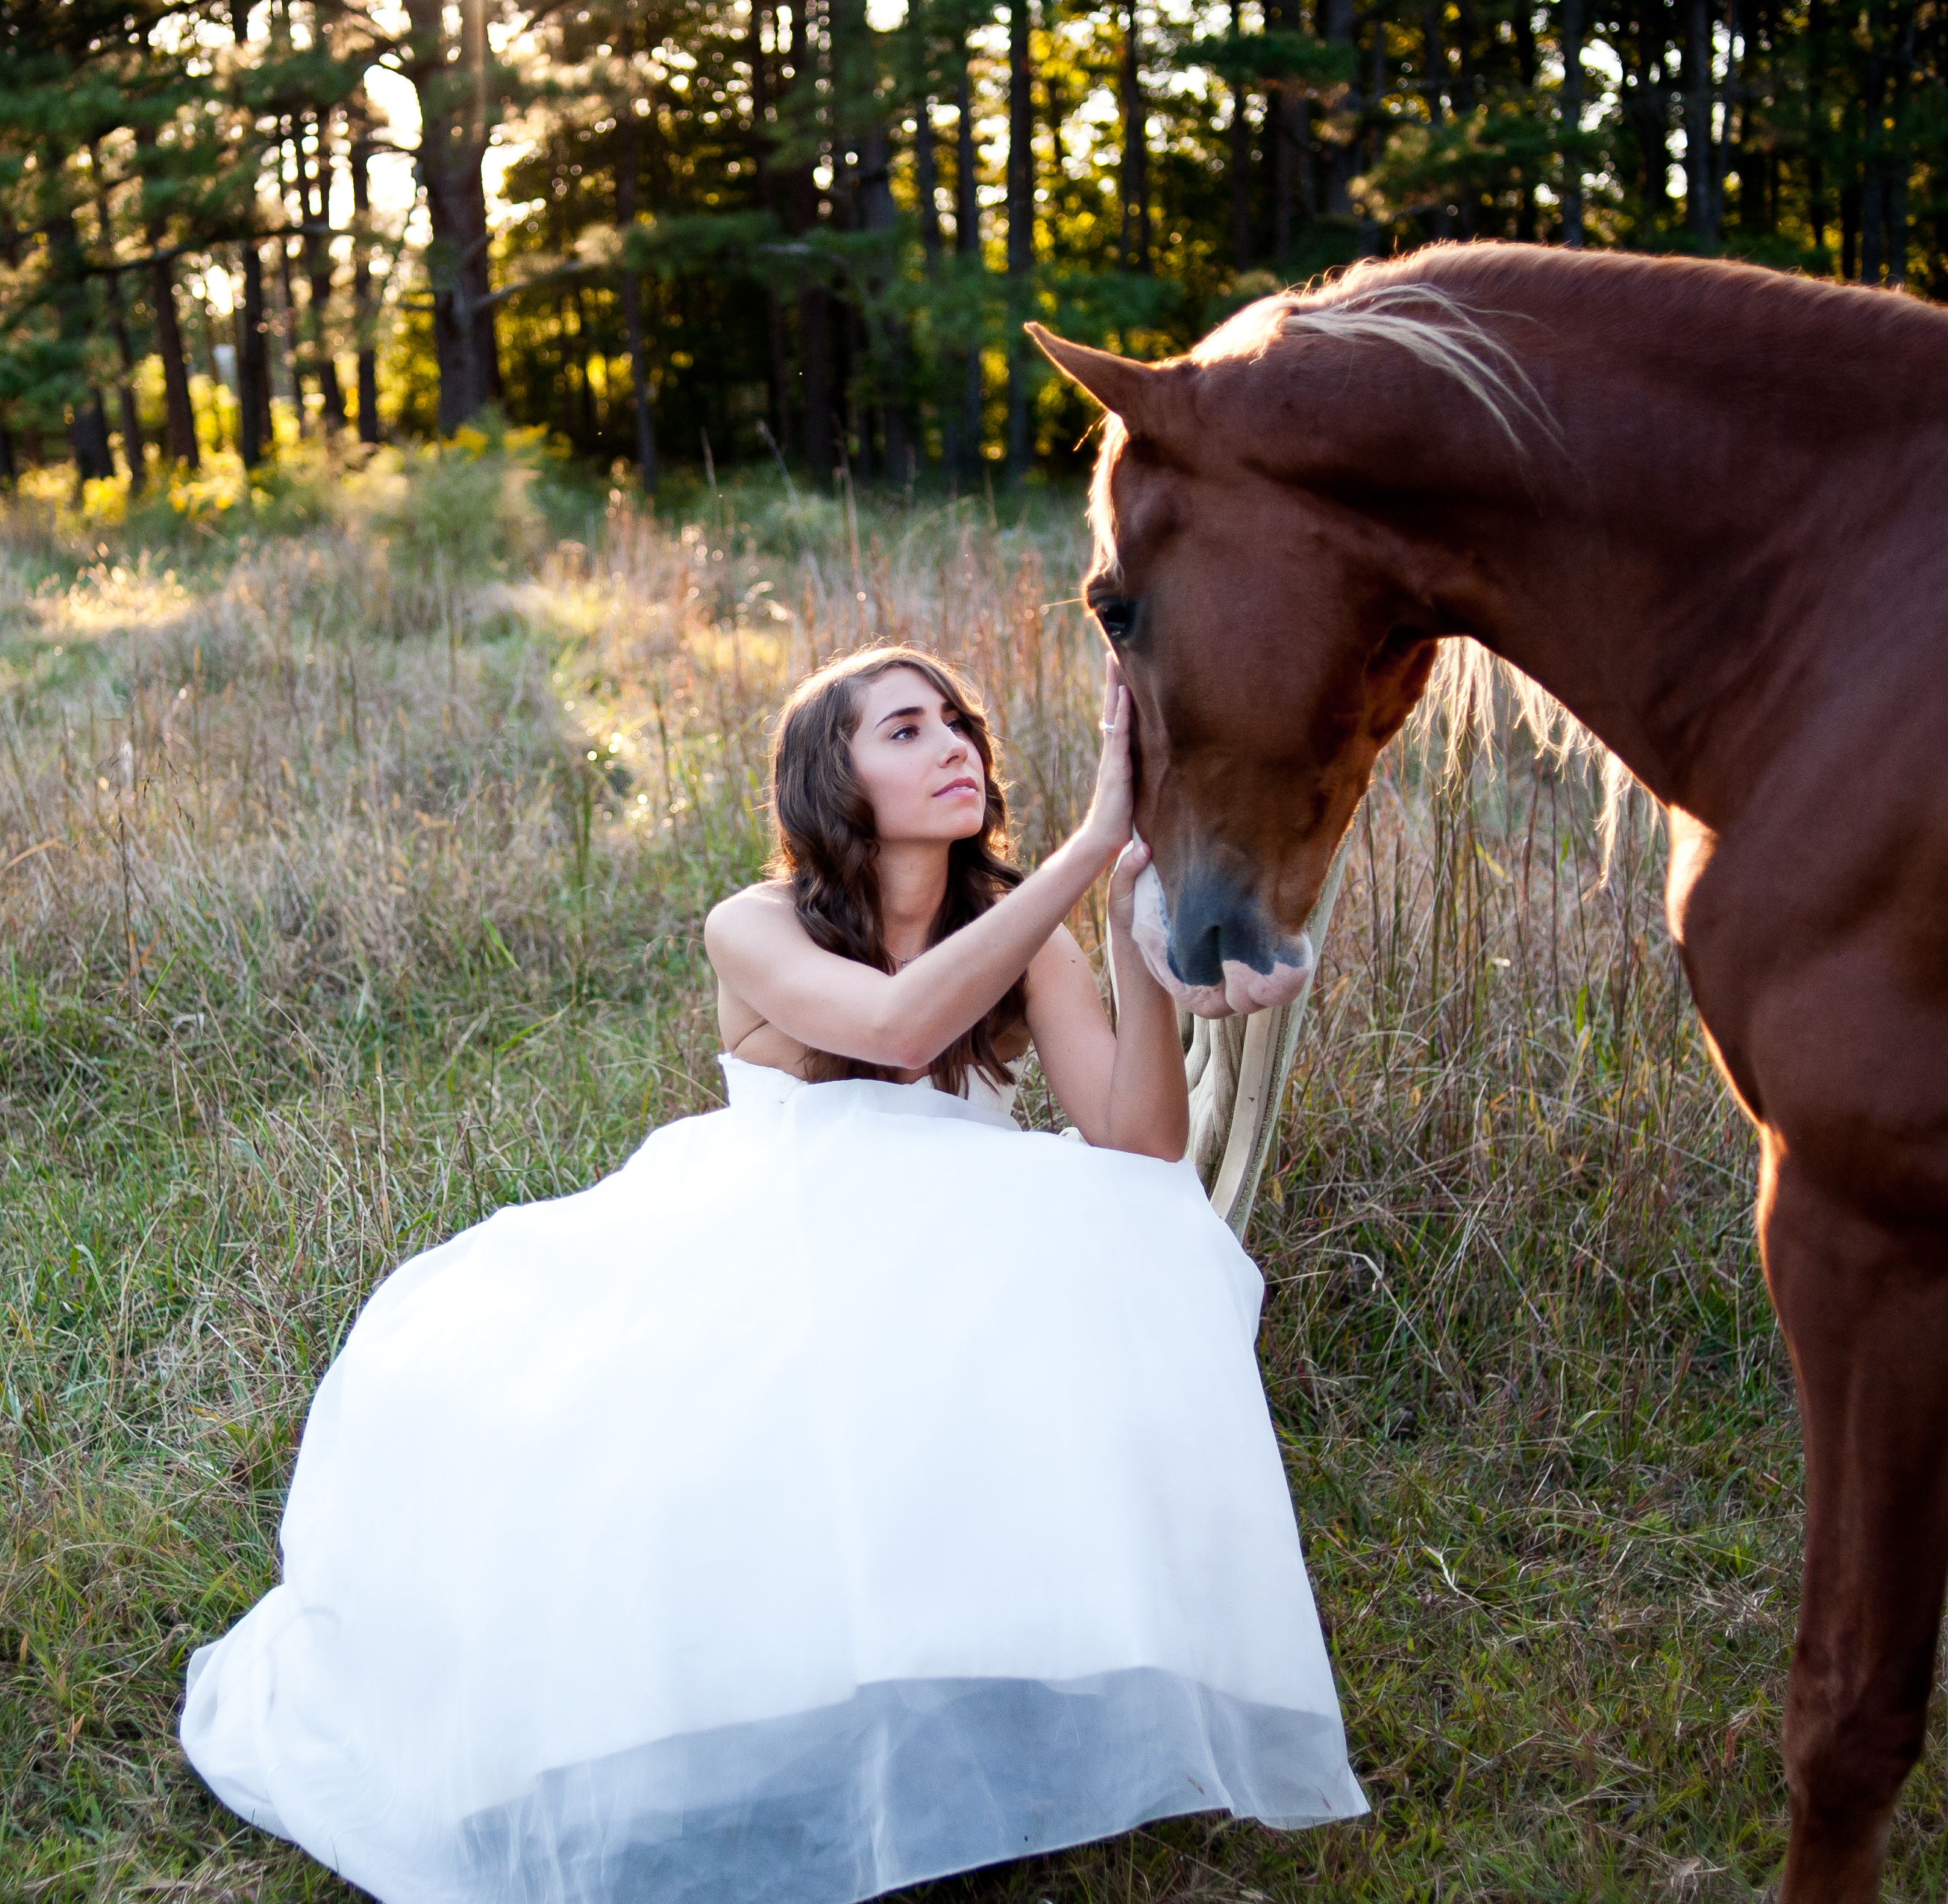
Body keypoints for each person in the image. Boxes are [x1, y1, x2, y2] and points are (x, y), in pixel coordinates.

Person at [179, 642, 1366, 1904]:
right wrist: (1082, 851)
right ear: (828, 777)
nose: (953, 744)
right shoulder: (753, 922)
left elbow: (1138, 1148)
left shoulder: (1017, 936)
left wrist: (1126, 920)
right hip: (771, 1219)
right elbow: (896, 1025)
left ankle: (1001, 1664)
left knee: (1136, 1234)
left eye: (958, 723)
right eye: (904, 730)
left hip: (967, 1231)